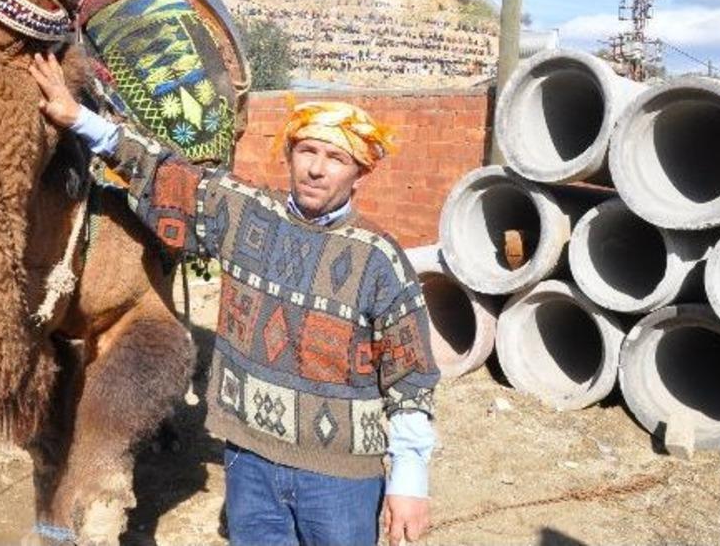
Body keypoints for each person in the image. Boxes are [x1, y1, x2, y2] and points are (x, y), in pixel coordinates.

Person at [29, 53, 440, 546]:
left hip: (340, 480)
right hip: (249, 464)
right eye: (307, 150)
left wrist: (409, 484)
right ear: (288, 156)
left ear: (359, 173)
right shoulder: (244, 216)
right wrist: (78, 119)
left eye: (336, 158)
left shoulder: (380, 260)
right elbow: (167, 177)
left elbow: (412, 378)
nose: (316, 169)